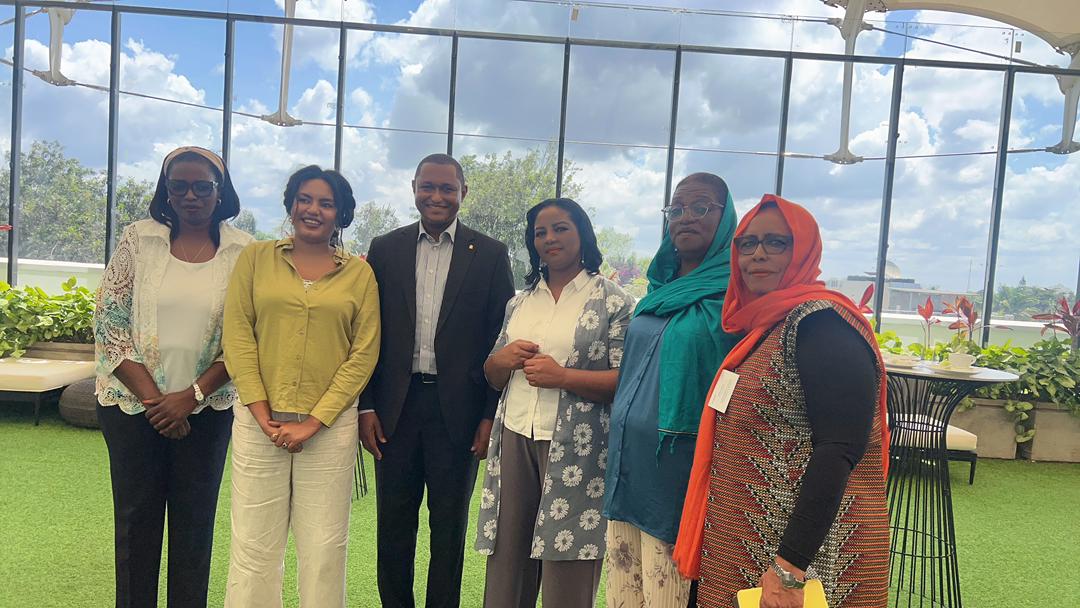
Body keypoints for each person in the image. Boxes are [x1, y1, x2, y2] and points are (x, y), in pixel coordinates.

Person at [672, 195, 890, 608]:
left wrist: (790, 567)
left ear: (804, 250)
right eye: (747, 244)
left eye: (776, 242)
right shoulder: (767, 325)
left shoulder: (822, 324)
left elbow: (839, 449)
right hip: (746, 547)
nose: (758, 254)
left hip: (803, 561)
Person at [94, 145, 251, 608]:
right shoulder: (138, 240)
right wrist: (157, 403)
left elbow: (248, 337)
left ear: (220, 192)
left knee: (195, 527)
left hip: (206, 412)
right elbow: (109, 322)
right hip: (132, 409)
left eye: (202, 187)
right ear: (165, 190)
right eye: (178, 186)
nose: (190, 196)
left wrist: (192, 396)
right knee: (135, 524)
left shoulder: (245, 251)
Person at [359, 153, 515, 608]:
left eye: (447, 188)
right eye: (428, 186)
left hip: (459, 416)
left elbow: (499, 338)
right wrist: (366, 405)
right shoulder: (385, 249)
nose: (437, 196)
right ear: (413, 188)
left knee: (449, 530)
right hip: (395, 410)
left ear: (463, 192)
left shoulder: (490, 254)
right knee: (393, 526)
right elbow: (365, 333)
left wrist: (488, 415)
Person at [222, 166, 380, 608]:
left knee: (324, 548)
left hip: (329, 429)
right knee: (253, 546)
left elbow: (363, 354)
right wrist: (261, 414)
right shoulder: (256, 259)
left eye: (326, 203)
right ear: (290, 205)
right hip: (259, 424)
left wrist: (313, 422)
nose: (313, 209)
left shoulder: (360, 275)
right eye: (305, 199)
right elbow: (237, 335)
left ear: (341, 214)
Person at [475, 197, 634, 608]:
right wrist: (501, 360)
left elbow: (626, 380)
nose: (549, 238)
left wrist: (563, 377)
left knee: (569, 559)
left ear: (582, 234)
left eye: (560, 228)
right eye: (540, 232)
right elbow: (492, 375)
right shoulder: (520, 302)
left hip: (579, 449)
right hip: (516, 436)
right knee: (507, 560)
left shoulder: (612, 300)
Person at [602, 173, 740, 608]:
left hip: (680, 472)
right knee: (625, 594)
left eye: (700, 208)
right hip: (628, 465)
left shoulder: (736, 297)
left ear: (726, 218)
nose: (685, 218)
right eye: (676, 209)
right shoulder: (657, 292)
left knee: (670, 593)